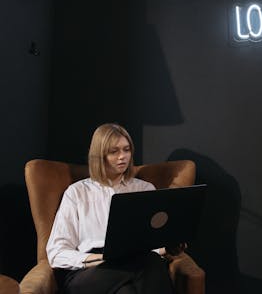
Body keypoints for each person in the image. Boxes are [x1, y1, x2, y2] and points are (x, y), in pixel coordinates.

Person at [46, 123, 184, 294]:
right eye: (114, 151)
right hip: (90, 271)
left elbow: (150, 243)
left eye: (126, 150)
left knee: (130, 286)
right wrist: (99, 259)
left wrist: (168, 248)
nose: (122, 157)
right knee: (151, 262)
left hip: (137, 259)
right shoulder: (77, 193)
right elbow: (56, 252)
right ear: (99, 155)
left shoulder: (144, 189)